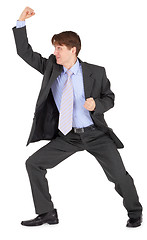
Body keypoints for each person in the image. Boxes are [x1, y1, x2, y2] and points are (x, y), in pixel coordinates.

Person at [12, 7, 142, 227]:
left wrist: (96, 104)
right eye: (55, 48)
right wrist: (20, 22)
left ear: (73, 50)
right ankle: (47, 213)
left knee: (119, 176)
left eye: (59, 48)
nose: (55, 52)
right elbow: (25, 52)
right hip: (69, 136)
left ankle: (135, 211)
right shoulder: (51, 68)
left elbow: (109, 98)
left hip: (96, 134)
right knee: (33, 163)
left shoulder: (96, 71)